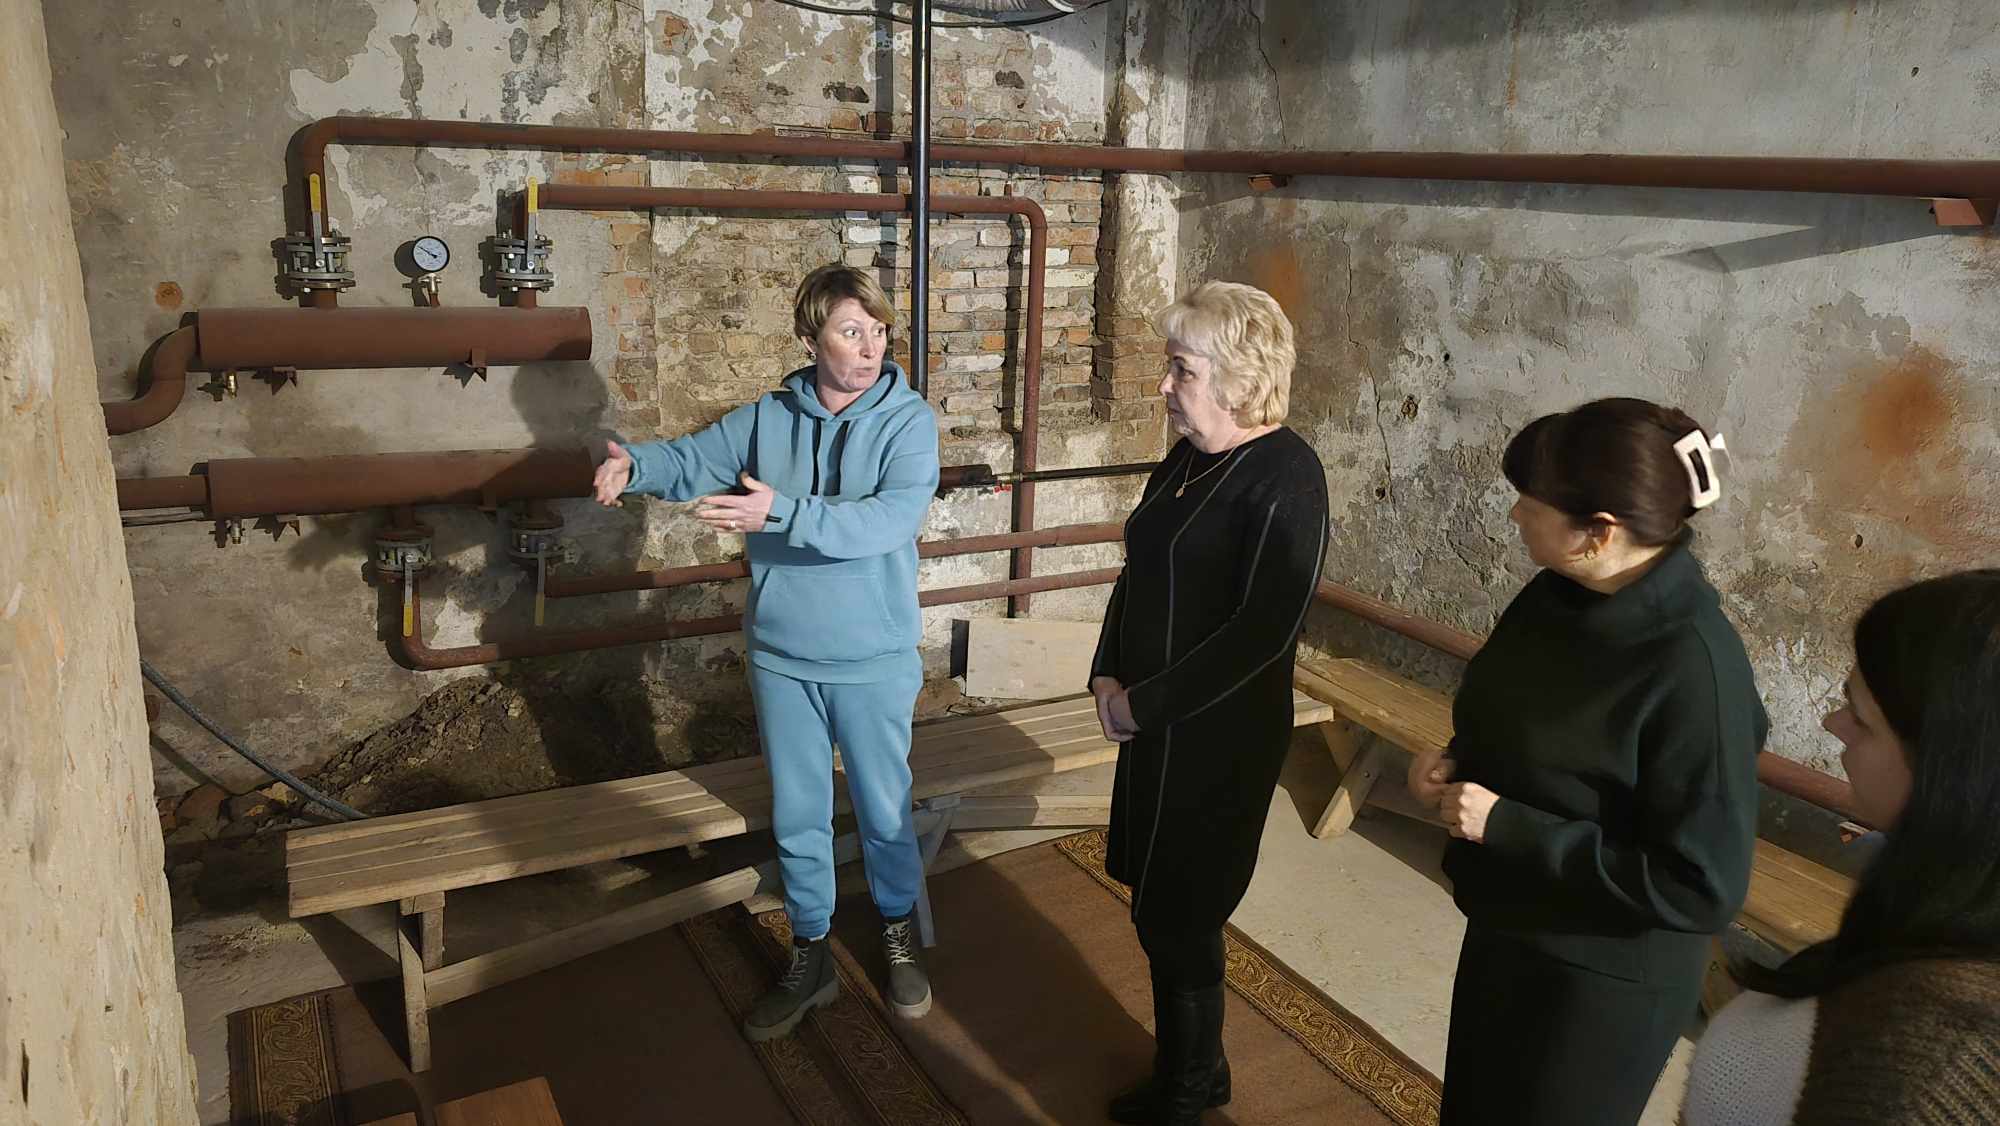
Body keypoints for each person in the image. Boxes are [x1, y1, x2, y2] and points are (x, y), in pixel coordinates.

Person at [592, 264, 939, 1040]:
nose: (870, 347)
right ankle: (811, 952)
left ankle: (895, 930)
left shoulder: (908, 422)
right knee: (799, 813)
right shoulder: (767, 418)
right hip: (783, 654)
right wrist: (635, 464)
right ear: (810, 338)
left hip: (872, 657)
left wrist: (780, 511)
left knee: (884, 807)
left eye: (879, 331)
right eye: (851, 331)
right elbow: (690, 459)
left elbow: (887, 521)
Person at [1406, 398, 1764, 1125]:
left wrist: (1507, 825)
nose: (1514, 515)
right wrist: (1454, 763)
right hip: (1511, 918)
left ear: (1599, 532)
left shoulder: (1695, 671)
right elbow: (1521, 715)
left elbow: (1701, 886)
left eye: (1529, 504)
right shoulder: (1558, 592)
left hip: (1602, 976)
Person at [1089, 281, 1329, 1126]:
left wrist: (1144, 705)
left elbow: (1260, 633)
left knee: (1182, 912)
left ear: (1238, 376)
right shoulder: (1188, 456)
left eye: (1181, 369)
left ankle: (1190, 1087)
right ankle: (1200, 1067)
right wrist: (1107, 671)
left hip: (1218, 738)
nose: (1164, 385)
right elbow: (1140, 567)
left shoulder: (1288, 477)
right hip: (1153, 721)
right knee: (1156, 901)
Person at [1682, 570, 2000, 1125]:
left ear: (1953, 770)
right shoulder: (1928, 915)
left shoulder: (1926, 1074)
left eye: (1862, 720)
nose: (1833, 724)